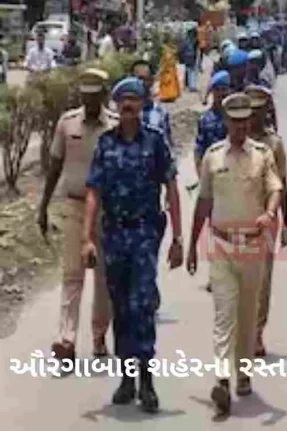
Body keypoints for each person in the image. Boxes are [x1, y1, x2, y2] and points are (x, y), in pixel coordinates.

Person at [82, 77, 183, 413]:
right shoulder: (106, 144)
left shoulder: (154, 143)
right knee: (120, 308)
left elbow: (170, 187)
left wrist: (178, 238)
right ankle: (127, 379)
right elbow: (94, 192)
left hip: (143, 235)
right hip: (113, 236)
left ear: (142, 105)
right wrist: (87, 239)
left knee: (142, 306)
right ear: (116, 104)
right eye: (123, 99)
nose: (128, 105)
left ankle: (147, 382)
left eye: (134, 99)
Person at [187, 92, 282, 418]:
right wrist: (191, 247)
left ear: (250, 121)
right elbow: (203, 203)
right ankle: (223, 378)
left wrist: (269, 214)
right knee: (224, 314)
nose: (241, 127)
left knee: (246, 313)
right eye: (235, 122)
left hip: (253, 245)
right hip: (222, 245)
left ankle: (242, 372)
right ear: (226, 122)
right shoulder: (213, 157)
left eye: (245, 121)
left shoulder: (263, 155)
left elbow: (275, 189)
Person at [38, 69, 117, 363]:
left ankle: (98, 338)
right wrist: (43, 205)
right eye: (85, 96)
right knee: (72, 275)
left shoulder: (115, 126)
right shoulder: (67, 122)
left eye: (95, 96)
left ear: (104, 95)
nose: (90, 101)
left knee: (103, 280)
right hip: (73, 207)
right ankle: (66, 340)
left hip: (106, 213)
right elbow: (55, 165)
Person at [244, 84, 287, 357]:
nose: (255, 117)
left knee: (262, 281)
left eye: (260, 111)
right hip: (237, 217)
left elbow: (282, 183)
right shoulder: (234, 139)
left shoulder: (274, 144)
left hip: (266, 219)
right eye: (251, 111)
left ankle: (257, 332)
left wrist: (285, 222)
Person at [132, 60, 175, 155]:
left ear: (151, 81)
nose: (140, 83)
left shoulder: (159, 112)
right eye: (136, 79)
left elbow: (167, 145)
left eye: (144, 79)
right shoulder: (123, 111)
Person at [195, 71, 231, 172]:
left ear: (229, 91)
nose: (221, 94)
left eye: (224, 90)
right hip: (212, 169)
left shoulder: (234, 117)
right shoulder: (205, 119)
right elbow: (199, 149)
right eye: (217, 90)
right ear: (213, 92)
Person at [180, 28, 199, 92]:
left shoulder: (185, 40)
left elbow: (181, 49)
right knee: (192, 72)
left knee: (188, 71)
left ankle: (188, 85)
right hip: (191, 57)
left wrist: (181, 58)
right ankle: (192, 86)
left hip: (187, 57)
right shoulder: (194, 40)